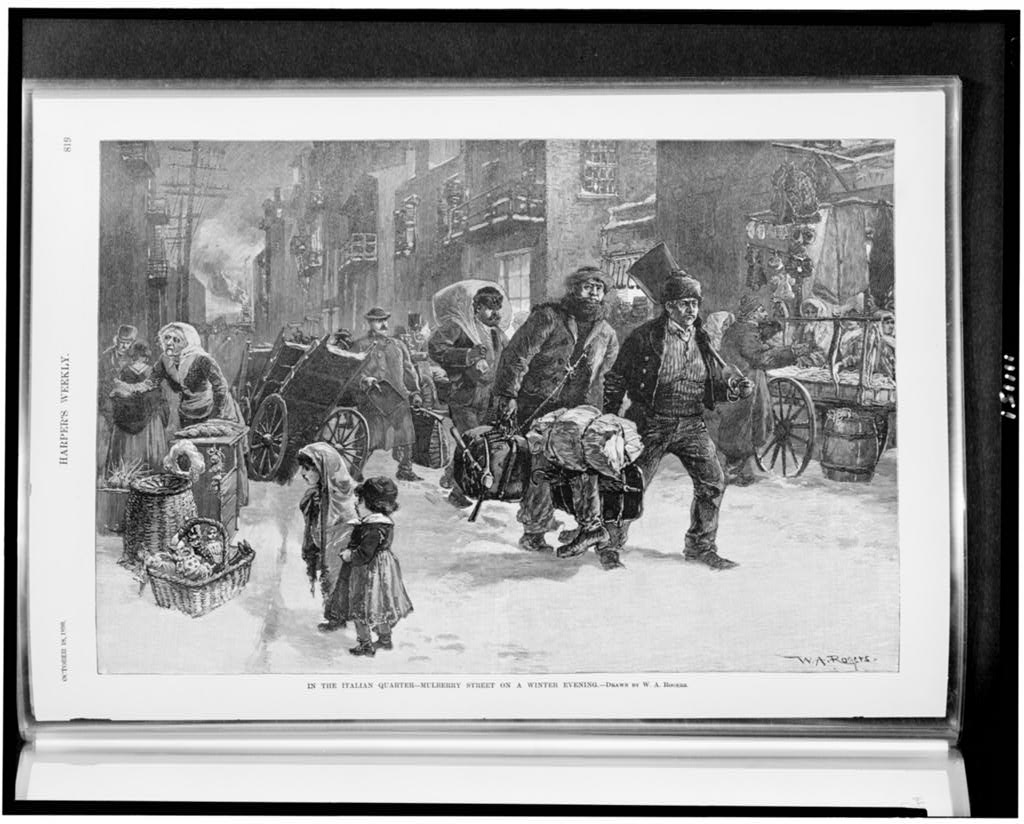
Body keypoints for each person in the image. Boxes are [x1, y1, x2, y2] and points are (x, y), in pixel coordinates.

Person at [602, 273, 753, 571]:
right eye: (684, 304)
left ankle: (701, 546)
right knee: (630, 484)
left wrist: (732, 389)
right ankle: (609, 544)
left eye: (695, 303)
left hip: (691, 422)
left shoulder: (702, 339)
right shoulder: (644, 337)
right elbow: (616, 378)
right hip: (651, 421)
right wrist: (611, 417)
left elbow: (709, 382)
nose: (691, 310)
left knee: (713, 482)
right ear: (669, 307)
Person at [492, 265, 619, 556]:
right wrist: (508, 394)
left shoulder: (607, 333)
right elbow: (517, 356)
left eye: (599, 289)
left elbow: (605, 376)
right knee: (542, 466)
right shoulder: (548, 317)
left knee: (585, 462)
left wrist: (600, 414)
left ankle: (589, 525)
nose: (594, 293)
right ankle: (535, 530)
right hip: (536, 404)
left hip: (576, 411)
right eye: (588, 287)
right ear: (574, 289)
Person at [428, 283, 509, 508]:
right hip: (464, 397)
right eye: (490, 308)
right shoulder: (459, 327)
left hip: (489, 398)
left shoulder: (498, 335)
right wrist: (466, 355)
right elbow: (435, 348)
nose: (496, 313)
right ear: (476, 309)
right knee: (473, 443)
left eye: (498, 308)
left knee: (481, 444)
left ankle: (451, 473)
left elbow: (509, 360)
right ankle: (457, 491)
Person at [712, 295, 802, 486]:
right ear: (752, 314)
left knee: (739, 426)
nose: (765, 314)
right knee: (746, 424)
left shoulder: (736, 329)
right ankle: (733, 472)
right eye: (761, 310)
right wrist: (791, 353)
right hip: (746, 382)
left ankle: (738, 471)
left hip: (734, 380)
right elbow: (760, 358)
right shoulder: (746, 331)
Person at [114, 322, 243, 428]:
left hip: (212, 412)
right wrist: (127, 387)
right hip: (187, 413)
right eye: (167, 338)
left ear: (187, 342)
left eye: (176, 340)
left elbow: (220, 387)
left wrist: (217, 414)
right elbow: (150, 383)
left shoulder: (202, 359)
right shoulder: (165, 360)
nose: (169, 343)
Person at [338, 477, 414, 657]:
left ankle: (365, 644)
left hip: (369, 571)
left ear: (372, 504)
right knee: (379, 605)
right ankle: (385, 639)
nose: (356, 504)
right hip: (384, 571)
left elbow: (364, 554)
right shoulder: (383, 523)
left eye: (360, 500)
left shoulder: (372, 528)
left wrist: (350, 555)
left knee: (361, 604)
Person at [352, 307, 424, 482]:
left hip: (398, 397)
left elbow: (409, 369)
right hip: (373, 398)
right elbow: (352, 373)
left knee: (407, 434)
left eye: (385, 320)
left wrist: (414, 392)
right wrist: (364, 380)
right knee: (369, 436)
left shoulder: (398, 345)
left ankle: (405, 469)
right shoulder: (360, 345)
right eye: (378, 321)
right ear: (369, 323)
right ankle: (355, 469)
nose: (383, 324)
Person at [296, 443, 357, 633]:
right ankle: (334, 614)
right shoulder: (317, 492)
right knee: (329, 574)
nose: (303, 474)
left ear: (323, 469)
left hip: (339, 537)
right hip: (325, 541)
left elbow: (341, 518)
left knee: (336, 575)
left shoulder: (341, 493)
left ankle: (337, 617)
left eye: (308, 468)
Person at [104, 341, 170, 476]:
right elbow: (160, 397)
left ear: (133, 356)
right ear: (146, 356)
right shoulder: (151, 371)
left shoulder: (124, 371)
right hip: (149, 418)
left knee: (126, 452)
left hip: (126, 417)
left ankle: (124, 474)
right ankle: (151, 473)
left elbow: (117, 394)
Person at [97, 324, 138, 476]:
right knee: (104, 438)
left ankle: (118, 472)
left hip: (125, 405)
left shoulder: (134, 358)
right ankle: (102, 473)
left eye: (128, 343)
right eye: (121, 341)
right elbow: (100, 381)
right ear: (117, 339)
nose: (124, 345)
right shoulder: (106, 356)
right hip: (107, 403)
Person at [795, 297, 835, 367]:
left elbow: (823, 347)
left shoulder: (824, 328)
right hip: (804, 354)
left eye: (813, 312)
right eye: (807, 312)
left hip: (820, 356)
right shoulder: (803, 327)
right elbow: (797, 342)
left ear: (819, 313)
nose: (810, 315)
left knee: (803, 361)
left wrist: (809, 347)